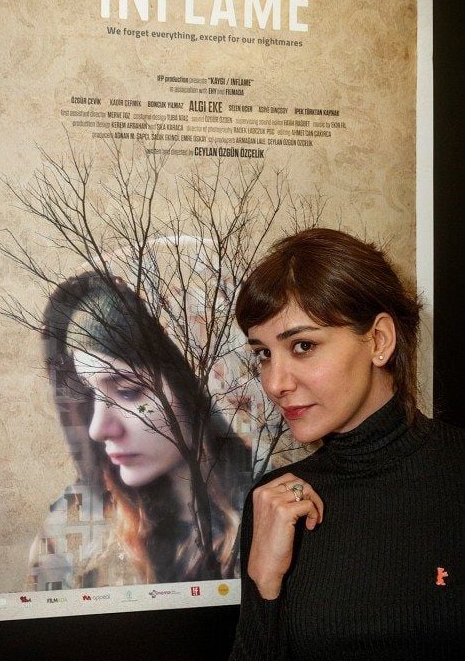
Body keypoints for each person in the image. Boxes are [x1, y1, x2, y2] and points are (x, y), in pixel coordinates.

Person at [229, 227, 464, 660]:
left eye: (302, 345)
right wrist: (265, 584)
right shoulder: (275, 500)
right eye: (263, 353)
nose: (275, 383)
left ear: (379, 340)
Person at [27, 269, 252, 590]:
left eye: (128, 391)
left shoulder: (269, 505)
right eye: (91, 393)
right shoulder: (72, 527)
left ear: (193, 390)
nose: (98, 429)